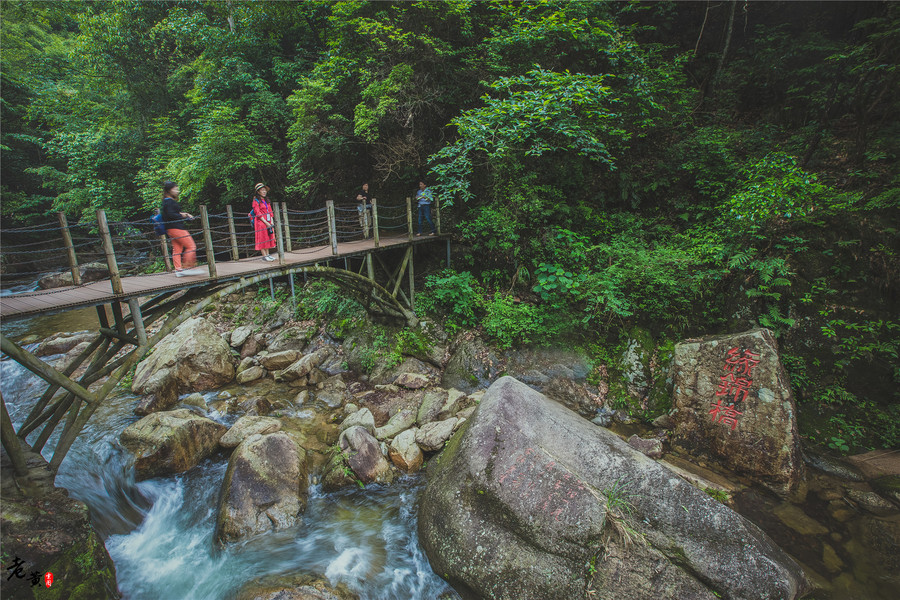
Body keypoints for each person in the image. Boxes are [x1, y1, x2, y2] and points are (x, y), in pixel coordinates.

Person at [160, 181, 201, 277]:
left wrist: (185, 214)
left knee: (177, 249)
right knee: (191, 246)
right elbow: (171, 214)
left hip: (170, 229)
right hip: (177, 228)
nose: (177, 191)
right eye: (175, 189)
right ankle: (188, 267)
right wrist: (182, 216)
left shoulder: (166, 201)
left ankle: (178, 270)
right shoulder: (169, 202)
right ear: (169, 190)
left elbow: (172, 213)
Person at [251, 183, 276, 261]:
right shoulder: (256, 201)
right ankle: (264, 256)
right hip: (260, 222)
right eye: (262, 190)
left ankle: (268, 254)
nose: (264, 191)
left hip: (268, 221)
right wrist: (266, 222)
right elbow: (257, 213)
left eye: (265, 190)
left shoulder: (266, 200)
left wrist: (271, 221)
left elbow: (270, 211)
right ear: (258, 192)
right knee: (262, 238)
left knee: (268, 237)